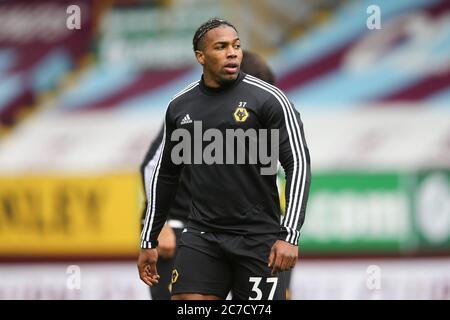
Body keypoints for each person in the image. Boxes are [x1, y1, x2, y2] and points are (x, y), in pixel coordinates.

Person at [138, 18, 311, 300]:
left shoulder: (271, 100)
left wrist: (289, 235)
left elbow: (298, 164)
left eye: (237, 46)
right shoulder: (181, 107)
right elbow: (164, 174)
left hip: (257, 239)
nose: (232, 52)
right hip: (201, 235)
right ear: (201, 56)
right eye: (221, 47)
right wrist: (150, 235)